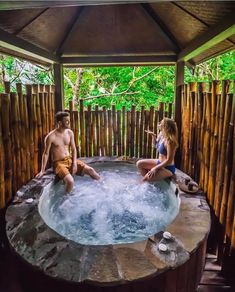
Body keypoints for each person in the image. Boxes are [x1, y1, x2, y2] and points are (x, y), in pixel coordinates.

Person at [36, 111, 100, 193]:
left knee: (91, 170)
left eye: (69, 120)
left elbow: (73, 149)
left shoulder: (70, 133)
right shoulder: (51, 136)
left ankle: (101, 188)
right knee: (70, 181)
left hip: (69, 160)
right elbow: (45, 153)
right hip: (58, 163)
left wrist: (74, 164)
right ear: (59, 122)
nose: (69, 122)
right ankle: (66, 200)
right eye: (66, 121)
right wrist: (42, 170)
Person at [136, 118, 178, 182]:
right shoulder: (162, 135)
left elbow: (169, 160)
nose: (159, 123)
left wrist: (155, 168)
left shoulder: (170, 142)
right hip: (159, 162)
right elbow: (156, 145)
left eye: (161, 123)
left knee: (143, 181)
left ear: (165, 127)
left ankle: (148, 180)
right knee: (139, 164)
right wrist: (153, 136)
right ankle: (150, 181)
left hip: (167, 168)